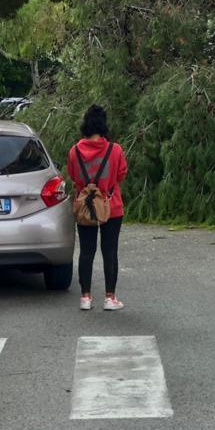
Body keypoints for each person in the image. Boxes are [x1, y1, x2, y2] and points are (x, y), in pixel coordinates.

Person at [67, 104, 128, 311]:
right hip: (111, 206)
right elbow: (121, 175)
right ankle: (110, 298)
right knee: (110, 251)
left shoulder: (74, 151)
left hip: (85, 206)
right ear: (104, 125)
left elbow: (74, 177)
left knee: (86, 251)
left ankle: (85, 297)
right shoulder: (115, 150)